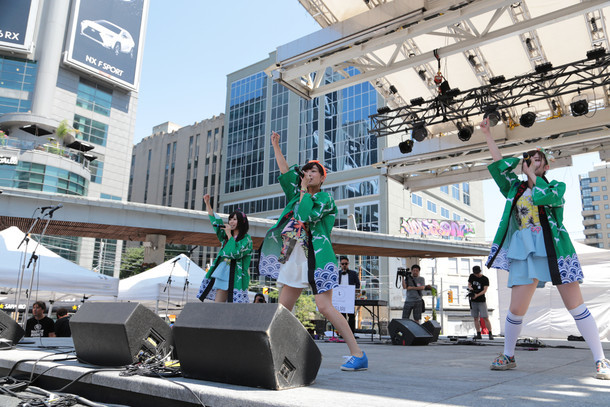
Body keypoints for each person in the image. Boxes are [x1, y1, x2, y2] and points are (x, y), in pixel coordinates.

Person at [482, 117, 609, 379]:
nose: (533, 162)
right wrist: (488, 135)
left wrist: (531, 177)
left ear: (547, 165)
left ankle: (601, 360)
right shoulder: (513, 189)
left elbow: (547, 198)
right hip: (524, 251)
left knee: (576, 306)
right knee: (516, 309)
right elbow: (498, 167)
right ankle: (509, 355)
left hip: (554, 249)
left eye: (539, 159)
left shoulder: (554, 186)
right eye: (530, 158)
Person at [258, 131, 367, 371]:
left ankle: (358, 354)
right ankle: (268, 352)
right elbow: (287, 173)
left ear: (322, 178)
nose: (308, 173)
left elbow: (306, 215)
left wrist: (304, 192)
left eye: (314, 171)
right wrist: (276, 145)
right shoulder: (298, 194)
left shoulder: (325, 199)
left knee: (324, 307)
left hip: (317, 258)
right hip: (295, 255)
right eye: (306, 171)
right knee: (282, 310)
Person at [197, 194, 252, 303]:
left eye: (235, 219)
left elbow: (235, 253)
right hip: (223, 272)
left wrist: (229, 235)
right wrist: (207, 204)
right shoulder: (225, 236)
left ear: (241, 221)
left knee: (234, 307)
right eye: (230, 219)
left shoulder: (247, 239)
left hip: (236, 275)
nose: (231, 222)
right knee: (218, 304)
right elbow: (215, 222)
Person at [468, 265, 493, 340]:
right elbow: (469, 284)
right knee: (475, 318)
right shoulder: (472, 276)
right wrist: (470, 288)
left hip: (481, 300)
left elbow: (484, 290)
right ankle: (478, 333)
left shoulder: (485, 279)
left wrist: (477, 295)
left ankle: (490, 333)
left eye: (478, 273)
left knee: (485, 317)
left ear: (480, 271)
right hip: (473, 301)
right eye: (475, 273)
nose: (477, 275)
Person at [338, 256, 361, 333]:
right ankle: (343, 332)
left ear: (348, 264)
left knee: (351, 316)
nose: (344, 265)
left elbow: (358, 284)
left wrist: (354, 292)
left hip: (349, 297)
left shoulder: (353, 273)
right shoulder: (337, 273)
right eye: (342, 264)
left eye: (346, 263)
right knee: (341, 316)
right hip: (340, 298)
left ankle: (351, 332)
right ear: (340, 264)